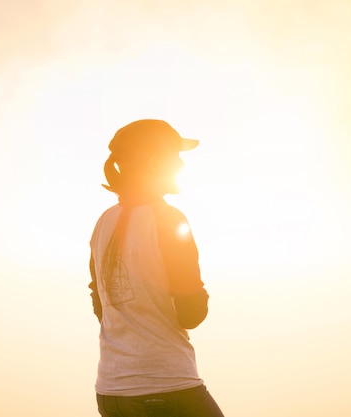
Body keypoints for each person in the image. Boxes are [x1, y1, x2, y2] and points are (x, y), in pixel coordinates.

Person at [88, 119, 225, 417]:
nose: (180, 165)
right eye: (175, 156)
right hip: (167, 387)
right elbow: (192, 314)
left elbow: (100, 302)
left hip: (112, 393)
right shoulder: (168, 219)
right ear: (153, 162)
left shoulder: (103, 223)